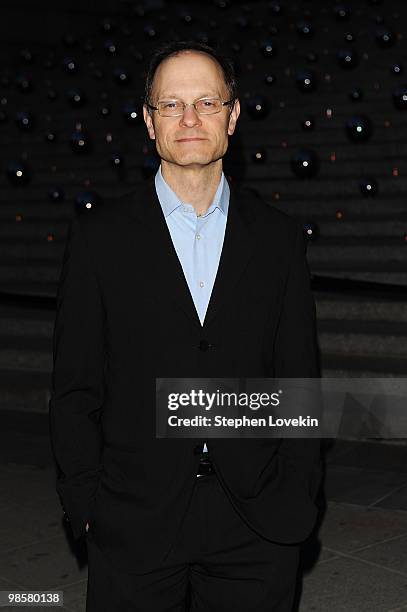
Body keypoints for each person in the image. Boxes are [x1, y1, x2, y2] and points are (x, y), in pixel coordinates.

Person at [49, 40, 322, 612]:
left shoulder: (278, 239)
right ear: (149, 122)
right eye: (171, 105)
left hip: (257, 520)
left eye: (206, 101)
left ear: (234, 115)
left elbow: (298, 378)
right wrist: (88, 506)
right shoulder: (100, 239)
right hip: (133, 519)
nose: (190, 118)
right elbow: (76, 390)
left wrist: (298, 492)